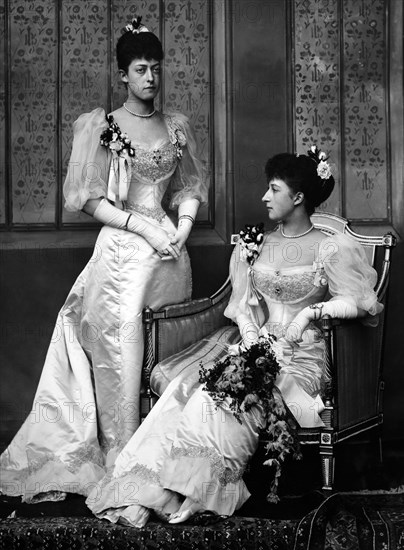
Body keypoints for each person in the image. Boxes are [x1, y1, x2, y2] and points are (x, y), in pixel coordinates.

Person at [84, 147, 383, 527]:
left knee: (241, 397)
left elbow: (359, 303)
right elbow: (242, 305)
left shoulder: (331, 246)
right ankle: (158, 489)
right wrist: (251, 335)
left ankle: (199, 492)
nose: (264, 197)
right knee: (198, 394)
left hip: (304, 355)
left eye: (274, 190)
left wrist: (311, 312)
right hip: (257, 344)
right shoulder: (256, 243)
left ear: (299, 197)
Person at [0, 17, 207, 503]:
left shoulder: (176, 126)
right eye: (140, 69)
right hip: (123, 253)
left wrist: (180, 229)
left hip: (170, 255)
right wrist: (144, 227)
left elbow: (189, 186)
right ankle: (122, 450)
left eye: (156, 68)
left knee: (170, 340)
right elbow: (89, 199)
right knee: (124, 346)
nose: (151, 78)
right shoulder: (104, 125)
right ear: (123, 75)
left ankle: (162, 447)